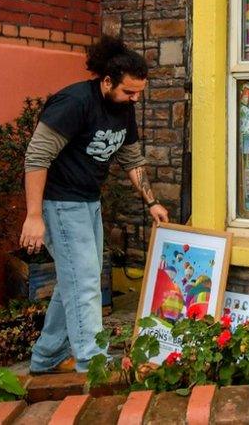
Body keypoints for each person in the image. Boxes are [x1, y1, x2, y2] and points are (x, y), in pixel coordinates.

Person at [20, 36, 170, 374]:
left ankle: (45, 358)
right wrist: (33, 216)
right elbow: (37, 156)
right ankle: (94, 361)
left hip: (88, 201)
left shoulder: (123, 109)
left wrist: (152, 202)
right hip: (59, 202)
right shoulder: (73, 103)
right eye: (129, 92)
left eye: (139, 93)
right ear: (106, 81)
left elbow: (131, 158)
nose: (135, 99)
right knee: (86, 280)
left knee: (75, 278)